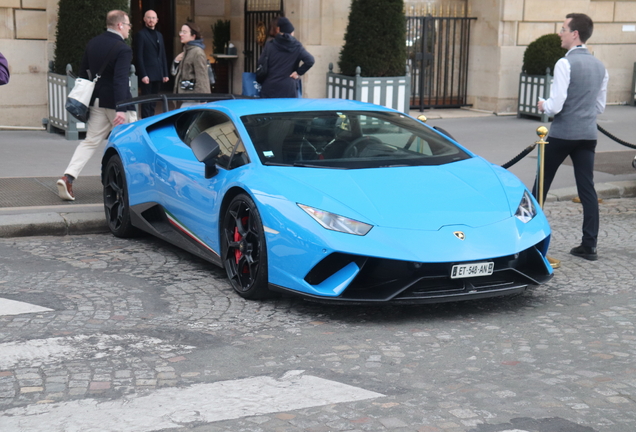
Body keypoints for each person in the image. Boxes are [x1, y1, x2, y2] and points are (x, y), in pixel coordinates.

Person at [536, 13, 609, 261]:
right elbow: (600, 107)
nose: (560, 33)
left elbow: (556, 105)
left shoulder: (564, 63)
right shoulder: (600, 66)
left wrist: (543, 105)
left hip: (563, 133)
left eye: (563, 29)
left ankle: (531, 242)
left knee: (540, 186)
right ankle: (590, 245)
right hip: (588, 135)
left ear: (575, 33)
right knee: (587, 188)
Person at [57, 10, 137, 201]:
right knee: (132, 143)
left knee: (90, 141)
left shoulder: (93, 43)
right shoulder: (123, 49)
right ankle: (130, 186)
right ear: (119, 25)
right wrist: (121, 108)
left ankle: (67, 177)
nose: (128, 29)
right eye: (128, 25)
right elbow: (120, 80)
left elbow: (83, 73)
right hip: (118, 103)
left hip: (97, 101)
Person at [258, 16, 314, 99]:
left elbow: (261, 62)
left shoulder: (270, 45)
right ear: (291, 32)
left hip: (270, 86)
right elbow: (310, 60)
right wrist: (298, 72)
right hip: (288, 88)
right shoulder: (297, 46)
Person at [135, 10, 169, 118]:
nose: (151, 20)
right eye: (149, 18)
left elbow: (162, 55)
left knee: (154, 101)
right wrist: (143, 74)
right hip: (147, 74)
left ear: (157, 20)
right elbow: (139, 56)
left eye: (153, 18)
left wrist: (165, 73)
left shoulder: (159, 35)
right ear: (144, 19)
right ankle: (146, 121)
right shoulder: (141, 35)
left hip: (158, 73)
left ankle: (152, 119)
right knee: (146, 101)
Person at [172, 22, 210, 103]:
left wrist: (203, 99)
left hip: (193, 98)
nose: (181, 34)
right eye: (181, 31)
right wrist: (176, 61)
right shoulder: (187, 50)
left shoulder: (197, 52)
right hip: (185, 96)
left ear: (193, 36)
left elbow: (202, 78)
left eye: (184, 32)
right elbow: (177, 73)